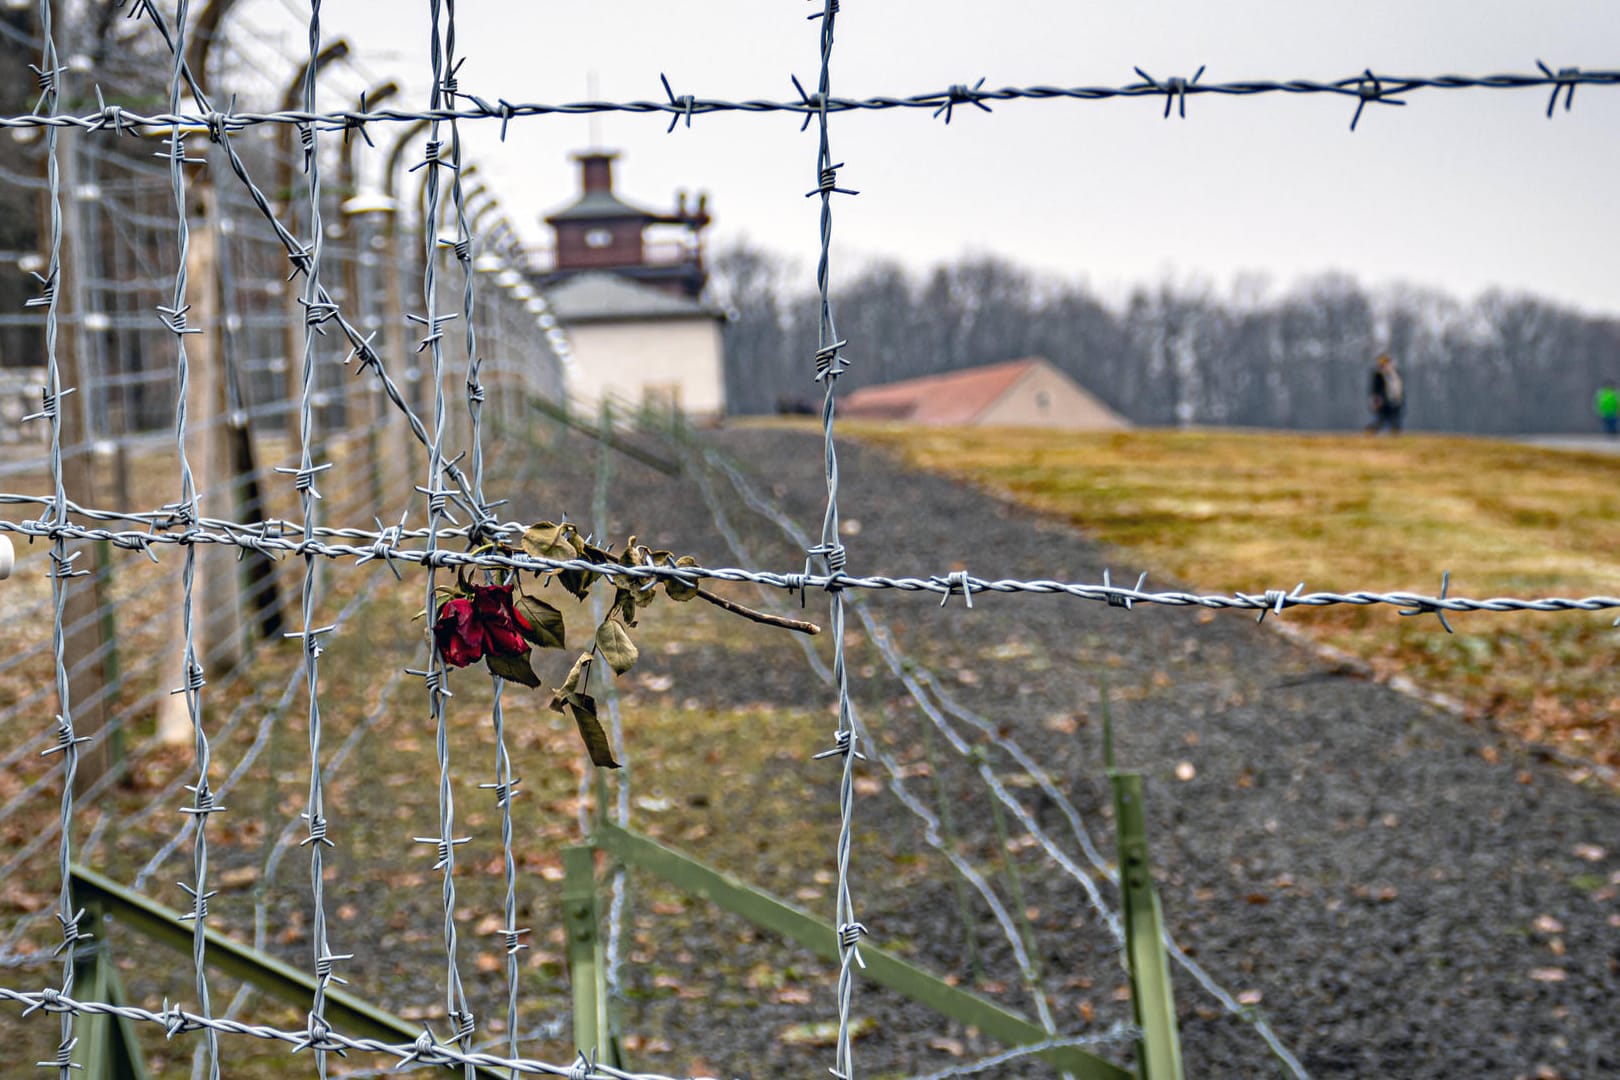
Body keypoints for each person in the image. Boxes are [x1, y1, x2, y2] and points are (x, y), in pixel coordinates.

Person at [1366, 353, 1404, 435]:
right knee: (1382, 419)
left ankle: (1394, 431)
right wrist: (1375, 401)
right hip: (1382, 401)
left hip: (1394, 400)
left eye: (1385, 362)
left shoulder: (1395, 374)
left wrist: (1399, 399)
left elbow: (1399, 387)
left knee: (1393, 418)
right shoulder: (1378, 375)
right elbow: (1375, 389)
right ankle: (1371, 430)